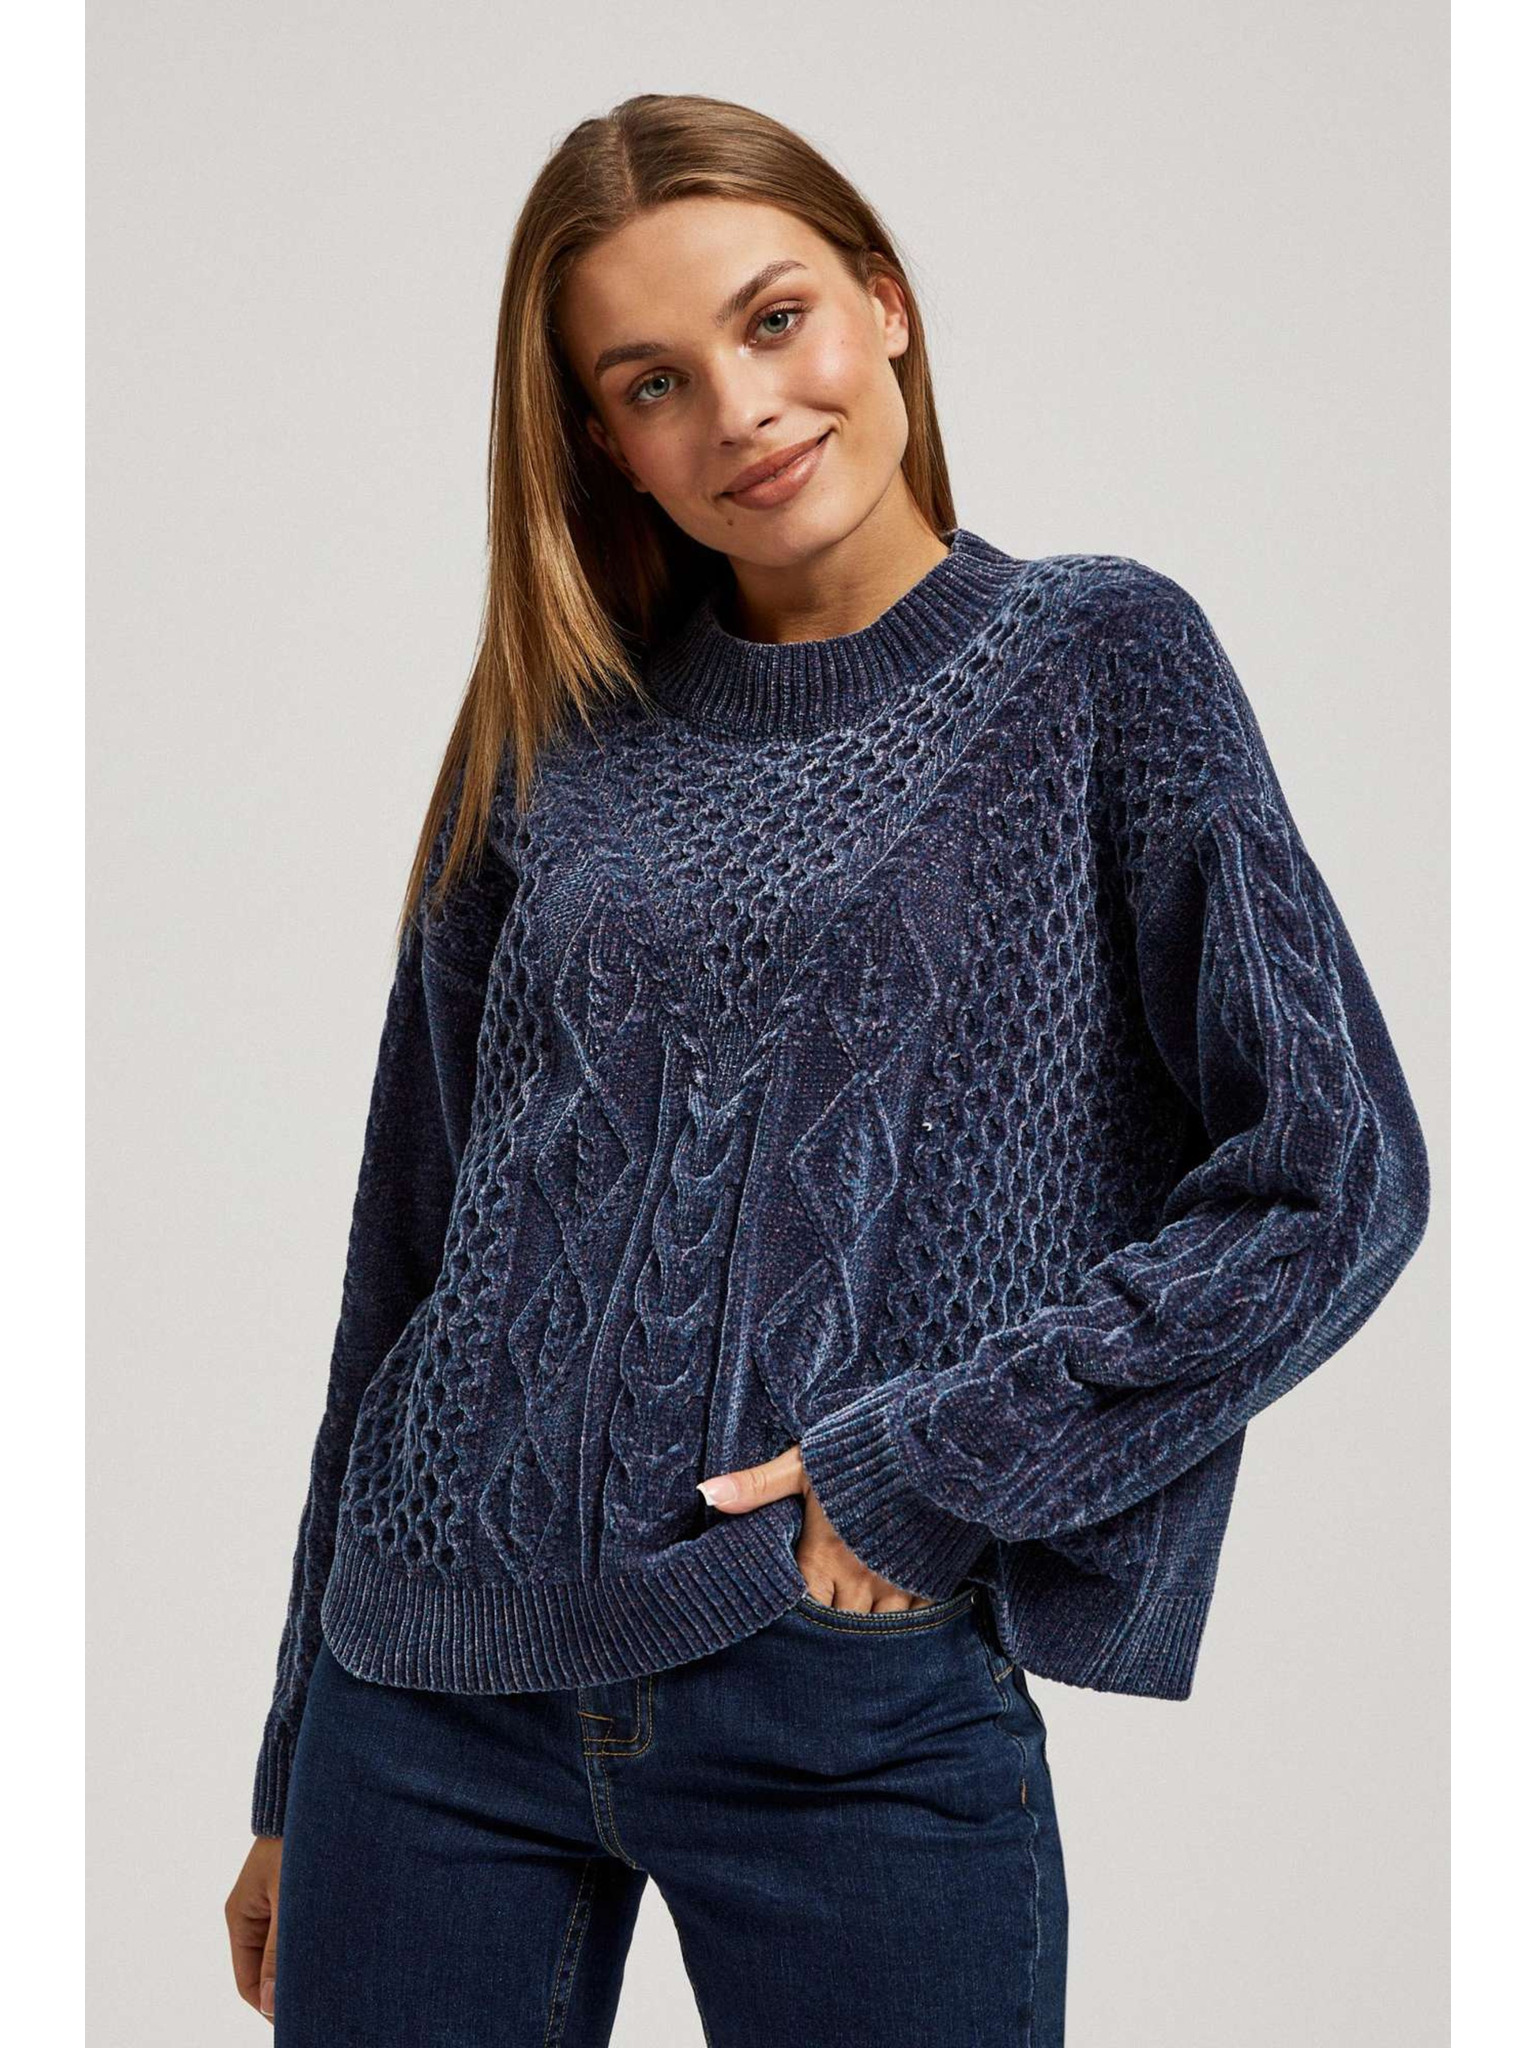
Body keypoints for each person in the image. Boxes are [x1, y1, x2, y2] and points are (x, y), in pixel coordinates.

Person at [224, 90, 1431, 2046]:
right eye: (654, 380)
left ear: (884, 304)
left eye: (774, 319)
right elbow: (409, 1254)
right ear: (602, 439)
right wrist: (293, 1758)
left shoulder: (1097, 661)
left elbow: (1337, 1169)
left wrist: (930, 1466)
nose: (742, 410)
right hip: (421, 1694)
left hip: (837, 1694)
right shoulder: (551, 734)